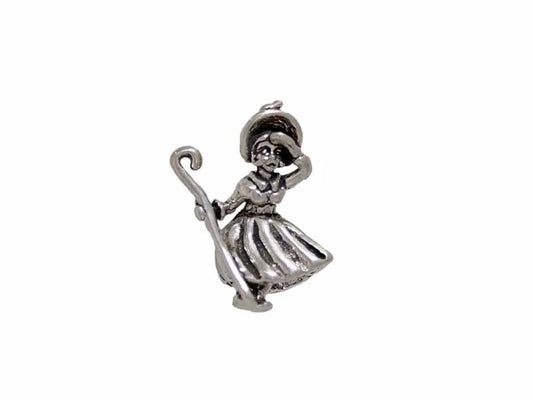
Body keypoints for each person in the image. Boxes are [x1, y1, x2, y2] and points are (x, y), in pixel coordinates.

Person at [210, 101, 333, 310]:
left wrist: (285, 142)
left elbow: (305, 170)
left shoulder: (280, 182)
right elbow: (229, 205)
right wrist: (213, 210)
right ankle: (249, 294)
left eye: (277, 152)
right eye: (265, 150)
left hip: (272, 225)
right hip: (247, 229)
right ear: (254, 155)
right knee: (255, 263)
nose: (271, 157)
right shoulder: (247, 184)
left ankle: (257, 294)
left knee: (278, 262)